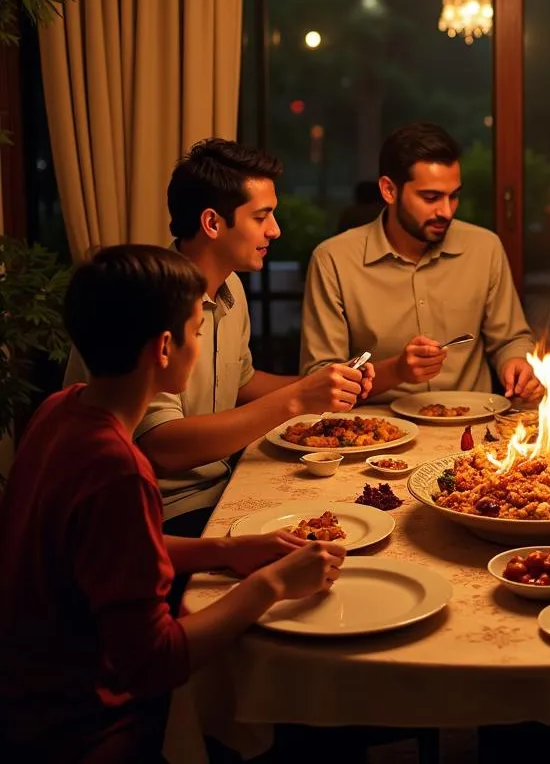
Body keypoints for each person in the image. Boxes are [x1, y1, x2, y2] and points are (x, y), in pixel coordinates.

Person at [0, 246, 346, 762]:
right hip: (82, 727)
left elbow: (109, 550)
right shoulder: (119, 469)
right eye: (198, 330)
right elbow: (154, 662)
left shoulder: (59, 410)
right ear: (165, 347)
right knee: (292, 711)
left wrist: (228, 549)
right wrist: (271, 584)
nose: (201, 341)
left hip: (20, 693)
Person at [66, 138, 371, 535]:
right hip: (161, 513)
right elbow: (162, 446)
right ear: (212, 223)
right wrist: (298, 399)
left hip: (222, 486)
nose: (275, 230)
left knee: (347, 509)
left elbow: (241, 383)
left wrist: (321, 385)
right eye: (261, 217)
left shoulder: (231, 288)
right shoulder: (149, 299)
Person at [301, 122, 541, 403]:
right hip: (378, 432)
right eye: (430, 197)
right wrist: (396, 371)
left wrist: (516, 363)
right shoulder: (334, 260)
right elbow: (318, 379)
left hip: (472, 426)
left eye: (454, 196)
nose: (446, 211)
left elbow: (511, 339)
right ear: (389, 190)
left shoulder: (484, 248)